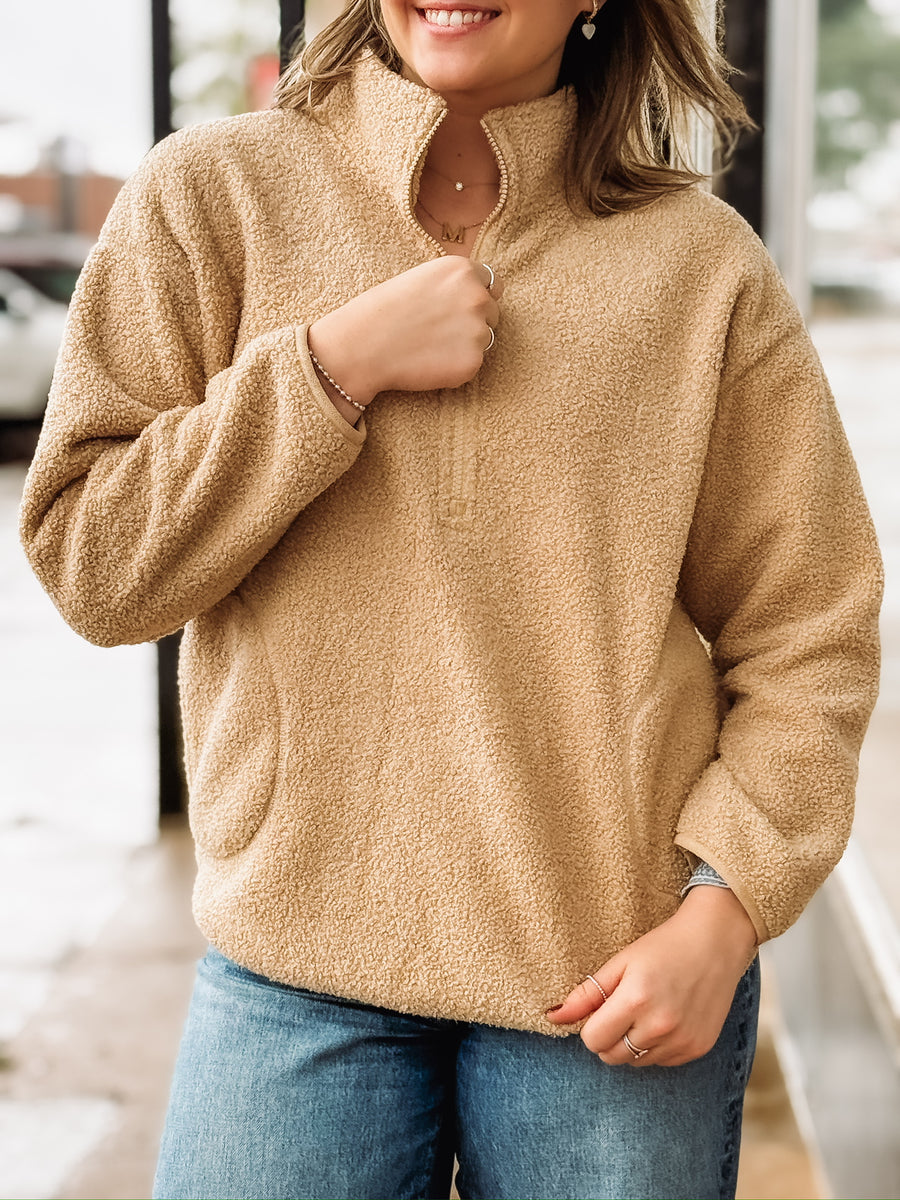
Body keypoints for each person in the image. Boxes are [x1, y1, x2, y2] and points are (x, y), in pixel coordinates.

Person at [20, 1, 882, 1197]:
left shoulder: (700, 266)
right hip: (293, 968)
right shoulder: (210, 197)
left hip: (612, 982)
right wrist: (330, 369)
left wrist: (724, 910)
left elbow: (811, 628)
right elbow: (94, 564)